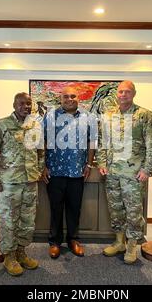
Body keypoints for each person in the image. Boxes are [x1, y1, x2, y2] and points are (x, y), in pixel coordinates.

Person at [96, 80, 152, 264]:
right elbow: (103, 141)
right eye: (120, 91)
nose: (123, 94)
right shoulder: (109, 116)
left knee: (133, 211)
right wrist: (101, 162)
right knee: (115, 209)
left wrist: (147, 169)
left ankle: (132, 245)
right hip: (112, 173)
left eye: (127, 91)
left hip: (133, 174)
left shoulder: (144, 115)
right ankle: (119, 242)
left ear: (134, 94)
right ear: (116, 94)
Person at [0, 92, 44, 276]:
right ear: (14, 104)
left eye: (29, 103)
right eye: (22, 103)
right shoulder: (1, 125)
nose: (26, 106)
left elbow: (41, 151)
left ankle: (21, 252)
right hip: (8, 184)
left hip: (30, 182)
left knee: (27, 221)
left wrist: (39, 170)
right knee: (9, 221)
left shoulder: (35, 125)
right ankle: (9, 256)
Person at [42, 86, 95, 259]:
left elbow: (91, 142)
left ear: (78, 97)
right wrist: (42, 165)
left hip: (77, 172)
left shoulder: (87, 117)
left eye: (73, 96)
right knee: (55, 208)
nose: (69, 99)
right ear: (60, 99)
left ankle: (73, 240)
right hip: (55, 171)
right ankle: (55, 242)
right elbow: (41, 141)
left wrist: (89, 163)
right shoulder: (50, 116)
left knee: (74, 208)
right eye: (66, 96)